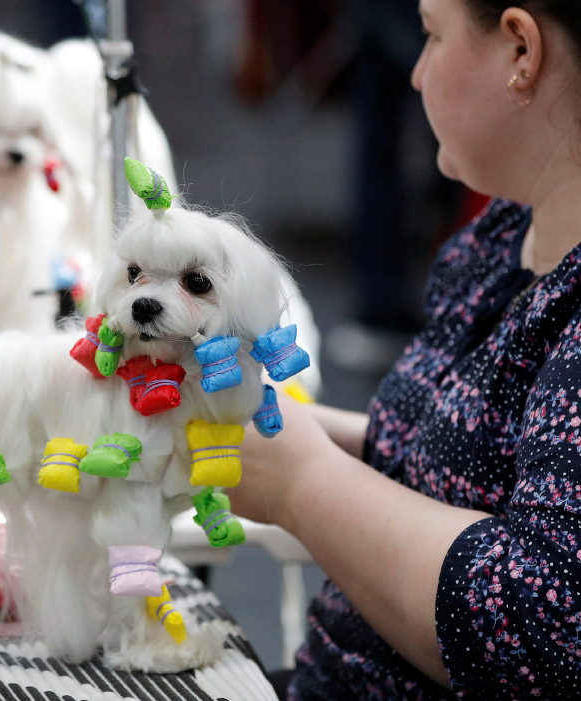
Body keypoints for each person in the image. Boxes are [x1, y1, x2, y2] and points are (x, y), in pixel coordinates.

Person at [229, 0, 581, 698]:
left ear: (520, 51)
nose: (416, 74)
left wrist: (299, 480)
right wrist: (250, 413)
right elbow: (448, 465)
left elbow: (544, 625)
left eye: (431, 34)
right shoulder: (503, 234)